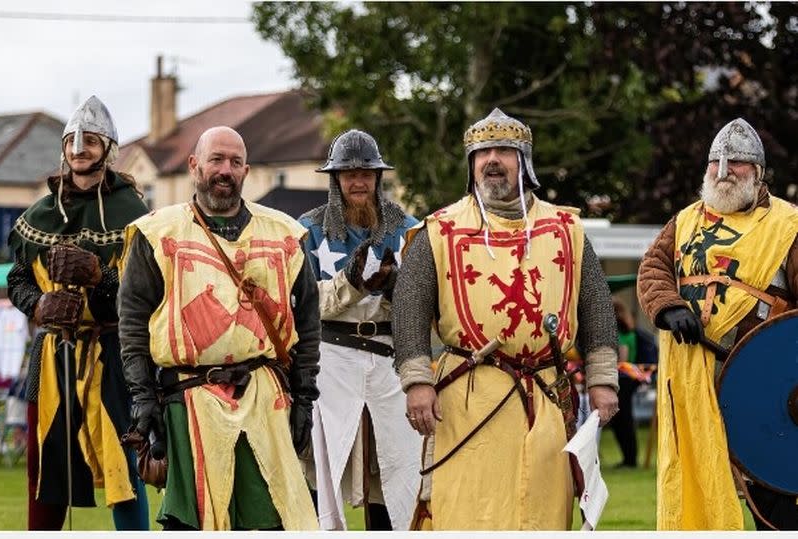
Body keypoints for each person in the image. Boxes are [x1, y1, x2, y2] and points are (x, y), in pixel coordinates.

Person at [392, 108, 619, 530]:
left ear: (524, 160)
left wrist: (603, 380)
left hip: (546, 394)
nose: (491, 160)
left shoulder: (566, 227)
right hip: (469, 395)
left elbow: (596, 309)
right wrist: (418, 382)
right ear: (471, 164)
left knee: (544, 513)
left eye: (503, 151)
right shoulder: (439, 229)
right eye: (482, 153)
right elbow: (409, 310)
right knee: (466, 510)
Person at [117, 126, 320, 531]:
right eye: (216, 160)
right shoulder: (158, 233)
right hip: (188, 400)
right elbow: (133, 322)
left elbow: (308, 321)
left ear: (246, 170)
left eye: (235, 162)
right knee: (190, 525)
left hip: (265, 398)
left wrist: (305, 397)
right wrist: (143, 398)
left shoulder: (284, 234)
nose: (225, 170)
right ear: (194, 165)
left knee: (271, 521)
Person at [637, 117, 798, 530]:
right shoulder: (686, 220)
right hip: (693, 375)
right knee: (696, 480)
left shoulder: (789, 224)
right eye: (716, 163)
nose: (724, 172)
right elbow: (654, 268)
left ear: (759, 174)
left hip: (762, 381)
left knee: (774, 491)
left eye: (738, 163)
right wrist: (669, 307)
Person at [6, 95, 150, 530]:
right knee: (43, 470)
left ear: (108, 149)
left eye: (90, 140)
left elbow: (144, 292)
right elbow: (18, 280)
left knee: (124, 465)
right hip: (50, 355)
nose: (80, 147)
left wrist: (98, 277)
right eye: (73, 140)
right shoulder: (41, 214)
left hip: (111, 353)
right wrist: (39, 303)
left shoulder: (134, 214)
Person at [298, 129, 421, 530]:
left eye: (366, 173)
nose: (357, 181)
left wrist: (395, 286)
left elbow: (426, 303)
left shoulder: (408, 229)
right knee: (323, 465)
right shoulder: (308, 230)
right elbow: (301, 303)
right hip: (330, 361)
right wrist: (351, 283)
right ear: (335, 179)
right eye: (348, 173)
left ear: (378, 176)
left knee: (395, 467)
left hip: (390, 359)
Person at [609, 297, 658, 468]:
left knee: (623, 419)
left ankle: (630, 459)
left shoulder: (624, 335)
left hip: (624, 380)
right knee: (620, 419)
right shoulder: (628, 332)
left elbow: (622, 359)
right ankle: (628, 458)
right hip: (625, 380)